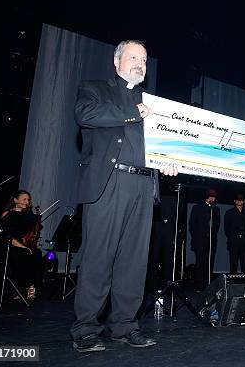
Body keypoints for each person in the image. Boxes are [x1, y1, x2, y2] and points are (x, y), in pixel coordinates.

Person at [70, 40, 178, 352]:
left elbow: (164, 145)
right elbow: (85, 114)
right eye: (133, 57)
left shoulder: (154, 103)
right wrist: (133, 112)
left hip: (144, 187)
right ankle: (86, 329)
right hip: (109, 183)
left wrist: (169, 162)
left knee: (134, 262)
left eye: (144, 59)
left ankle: (125, 325)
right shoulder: (95, 89)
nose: (140, 63)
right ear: (117, 61)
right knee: (98, 258)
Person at [0, 190, 43, 301]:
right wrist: (24, 247)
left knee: (37, 253)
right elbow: (7, 235)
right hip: (11, 245)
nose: (27, 202)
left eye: (28, 200)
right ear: (15, 200)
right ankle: (28, 286)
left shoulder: (28, 215)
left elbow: (33, 232)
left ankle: (28, 285)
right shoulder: (7, 214)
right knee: (24, 254)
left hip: (24, 244)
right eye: (24, 199)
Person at [189, 188, 220, 290]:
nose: (212, 198)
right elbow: (192, 225)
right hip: (200, 241)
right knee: (200, 263)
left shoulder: (216, 209)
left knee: (210, 263)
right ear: (207, 197)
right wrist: (197, 237)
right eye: (211, 196)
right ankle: (199, 285)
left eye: (214, 197)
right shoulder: (197, 208)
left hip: (211, 241)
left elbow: (217, 226)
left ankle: (208, 285)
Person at [224, 194, 245, 274]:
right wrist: (234, 237)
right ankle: (232, 284)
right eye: (237, 199)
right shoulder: (229, 212)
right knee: (233, 264)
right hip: (233, 242)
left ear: (244, 201)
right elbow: (226, 229)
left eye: (241, 199)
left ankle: (244, 284)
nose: (239, 201)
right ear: (234, 201)